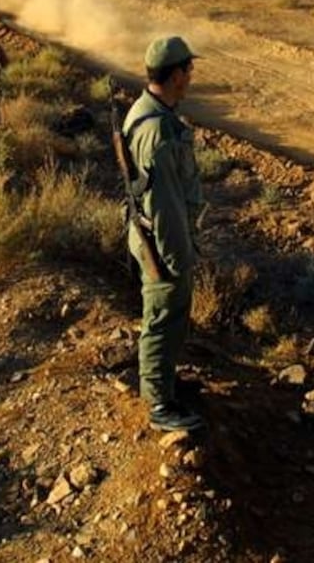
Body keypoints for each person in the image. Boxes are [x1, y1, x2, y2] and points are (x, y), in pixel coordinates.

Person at [122, 36, 205, 432]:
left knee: (169, 317)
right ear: (174, 76)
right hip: (162, 244)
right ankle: (159, 405)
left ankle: (165, 384)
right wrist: (178, 259)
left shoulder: (148, 111)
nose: (191, 76)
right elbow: (166, 206)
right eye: (188, 70)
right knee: (162, 317)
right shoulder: (159, 132)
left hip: (151, 236)